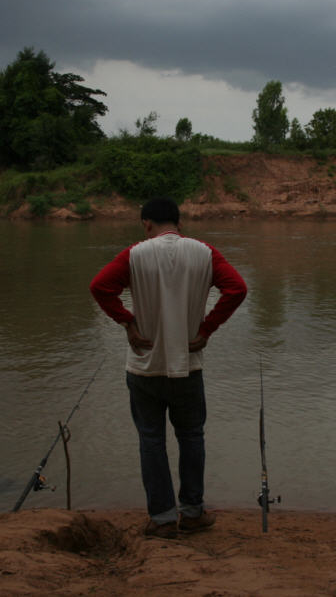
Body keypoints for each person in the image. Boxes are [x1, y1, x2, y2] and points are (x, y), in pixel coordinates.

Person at [90, 197, 247, 539]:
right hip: (188, 365)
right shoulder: (205, 253)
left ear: (146, 223)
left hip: (144, 366)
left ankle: (161, 519)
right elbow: (237, 288)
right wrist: (207, 329)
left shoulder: (135, 254)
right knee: (192, 438)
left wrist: (127, 322)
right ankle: (192, 513)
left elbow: (99, 287)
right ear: (179, 223)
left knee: (151, 441)